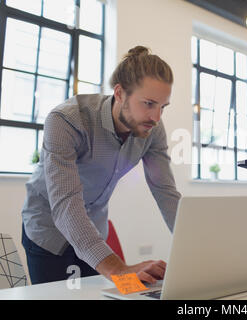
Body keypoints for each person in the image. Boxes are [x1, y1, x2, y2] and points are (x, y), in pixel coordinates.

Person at [21, 46, 181, 285]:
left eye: (162, 107)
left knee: (103, 295)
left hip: (94, 233)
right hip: (48, 232)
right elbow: (66, 205)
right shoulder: (67, 120)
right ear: (120, 93)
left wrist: (198, 251)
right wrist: (118, 268)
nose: (156, 117)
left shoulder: (152, 130)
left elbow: (166, 193)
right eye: (148, 103)